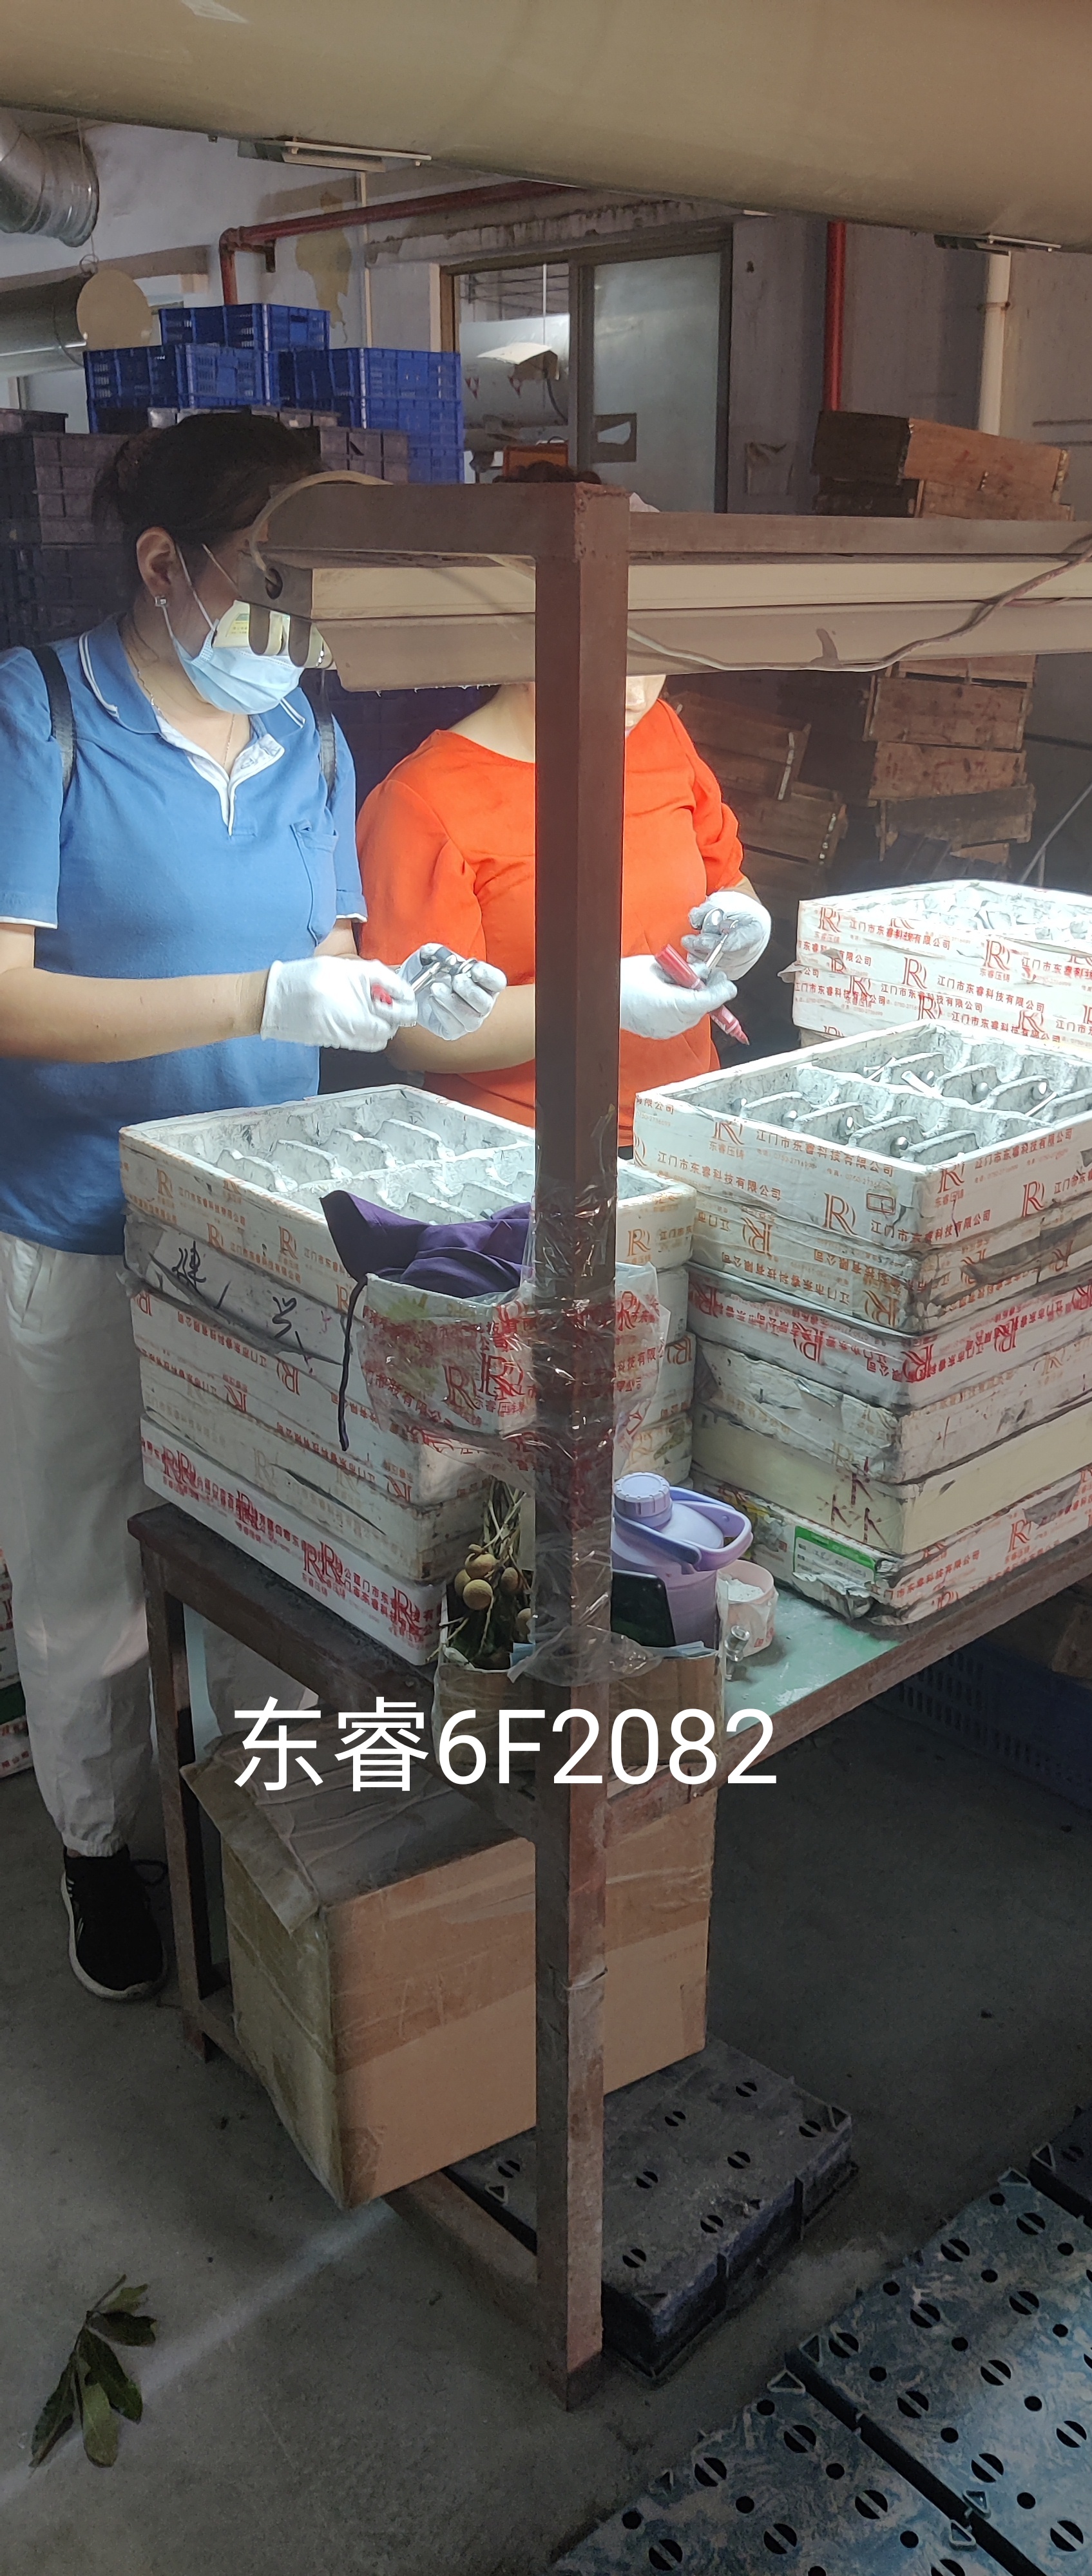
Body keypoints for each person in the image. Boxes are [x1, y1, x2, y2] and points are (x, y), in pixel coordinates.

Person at [0, 412, 503, 2003]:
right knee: (87, 1564)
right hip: (81, 1219)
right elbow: (9, 997)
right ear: (166, 564)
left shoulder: (308, 737)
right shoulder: (37, 714)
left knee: (264, 1539)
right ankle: (99, 1842)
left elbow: (335, 961)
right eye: (280, 583)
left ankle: (247, 1826)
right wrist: (260, 992)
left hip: (265, 1222)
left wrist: (409, 988)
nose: (307, 627)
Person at [355, 474, 771, 1146]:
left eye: (650, 651)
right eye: (604, 652)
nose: (635, 693)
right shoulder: (424, 800)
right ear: (515, 635)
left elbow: (729, 881)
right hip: (520, 1155)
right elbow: (413, 1035)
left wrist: (745, 924)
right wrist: (594, 1003)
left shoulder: (660, 733)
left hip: (686, 1128)